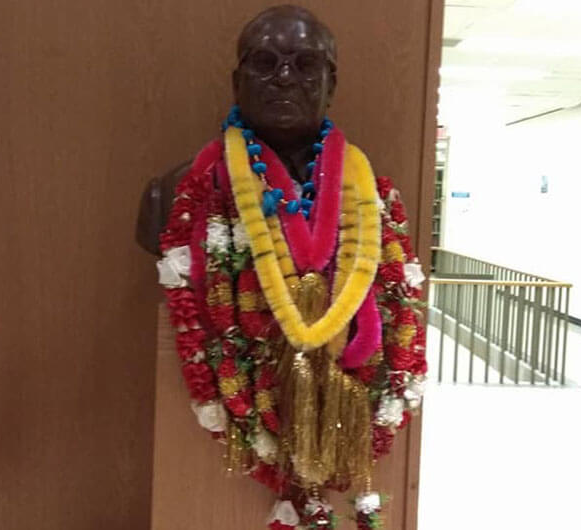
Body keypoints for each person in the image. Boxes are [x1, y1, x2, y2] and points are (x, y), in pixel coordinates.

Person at [137, 6, 427, 529]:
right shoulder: (176, 195)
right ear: (237, 82)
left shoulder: (372, 201)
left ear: (331, 83)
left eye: (305, 64)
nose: (285, 78)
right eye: (265, 63)